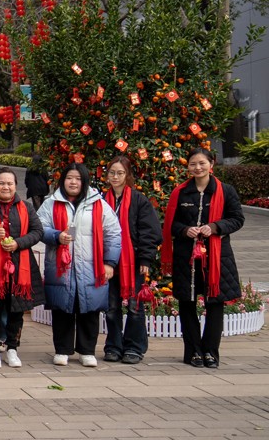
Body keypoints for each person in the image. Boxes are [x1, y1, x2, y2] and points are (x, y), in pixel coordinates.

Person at [162, 148, 244, 369]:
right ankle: (193, 352)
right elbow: (171, 224)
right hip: (186, 257)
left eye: (202, 163)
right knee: (187, 303)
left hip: (217, 257)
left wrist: (215, 227)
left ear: (211, 164)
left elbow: (237, 219)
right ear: (187, 166)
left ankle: (210, 352)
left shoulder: (225, 191)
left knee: (214, 303)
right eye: (193, 164)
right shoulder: (180, 193)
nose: (197, 168)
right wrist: (185, 230)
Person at [38, 163, 121, 367]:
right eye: (69, 178)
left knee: (89, 309)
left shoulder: (98, 204)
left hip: (91, 268)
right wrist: (57, 236)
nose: (73, 182)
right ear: (62, 181)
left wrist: (109, 263)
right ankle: (62, 350)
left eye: (78, 179)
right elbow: (39, 228)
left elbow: (113, 233)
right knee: (62, 309)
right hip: (61, 267)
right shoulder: (51, 203)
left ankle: (87, 351)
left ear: (84, 182)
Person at [0, 167, 44, 369]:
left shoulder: (26, 207)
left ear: (16, 186)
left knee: (16, 310)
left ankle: (12, 348)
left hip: (21, 266)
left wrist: (18, 243)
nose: (5, 187)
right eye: (1, 183)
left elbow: (38, 231)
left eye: (9, 183)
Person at [101, 156, 161, 365]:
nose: (115, 177)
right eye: (112, 172)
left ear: (128, 176)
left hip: (132, 261)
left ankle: (134, 347)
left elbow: (150, 231)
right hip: (107, 261)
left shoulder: (138, 200)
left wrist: (145, 258)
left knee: (135, 306)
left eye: (120, 173)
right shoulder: (101, 200)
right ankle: (113, 346)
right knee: (111, 307)